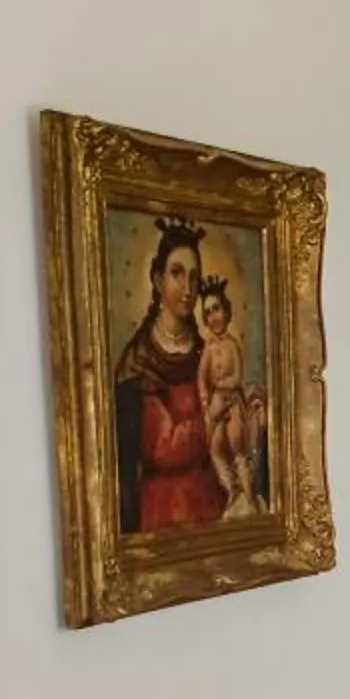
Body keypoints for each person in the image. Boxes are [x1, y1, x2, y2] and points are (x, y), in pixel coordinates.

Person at [111, 218, 232, 533]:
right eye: (177, 273)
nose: (189, 288)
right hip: (164, 513)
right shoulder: (138, 360)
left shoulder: (207, 352)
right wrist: (211, 418)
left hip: (212, 505)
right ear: (156, 278)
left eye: (194, 277)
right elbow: (162, 449)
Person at [194, 275, 268, 517]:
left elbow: (237, 376)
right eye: (207, 312)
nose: (213, 317)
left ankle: (247, 492)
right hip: (216, 403)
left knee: (236, 443)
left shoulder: (232, 345)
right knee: (215, 449)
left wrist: (226, 384)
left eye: (216, 309)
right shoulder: (207, 347)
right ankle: (231, 490)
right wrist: (205, 401)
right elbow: (201, 377)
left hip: (233, 400)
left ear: (226, 311)